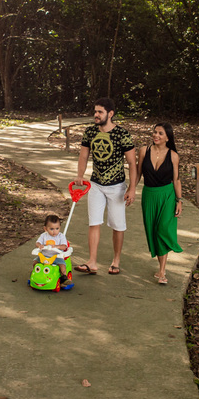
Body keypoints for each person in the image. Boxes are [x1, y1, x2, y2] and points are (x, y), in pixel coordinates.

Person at [74, 97, 136, 275]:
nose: (96, 115)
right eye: (95, 111)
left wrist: (132, 188)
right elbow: (84, 156)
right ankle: (92, 262)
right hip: (95, 184)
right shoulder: (90, 132)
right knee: (94, 222)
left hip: (117, 186)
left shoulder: (122, 134)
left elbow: (132, 163)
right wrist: (80, 175)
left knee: (118, 225)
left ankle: (116, 261)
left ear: (110, 114)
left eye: (100, 112)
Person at [135, 122, 183, 285]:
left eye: (160, 133)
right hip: (149, 194)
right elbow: (138, 172)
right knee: (153, 230)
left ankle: (162, 271)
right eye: (155, 132)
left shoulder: (173, 156)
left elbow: (176, 180)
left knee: (163, 229)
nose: (156, 135)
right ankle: (160, 268)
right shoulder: (144, 151)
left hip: (167, 196)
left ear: (167, 138)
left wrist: (179, 201)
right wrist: (131, 190)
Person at [34, 213, 72, 286]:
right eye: (51, 229)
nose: (54, 231)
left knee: (62, 265)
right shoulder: (43, 236)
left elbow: (64, 246)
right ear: (45, 229)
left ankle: (64, 278)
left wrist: (57, 246)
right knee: (35, 262)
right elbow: (37, 243)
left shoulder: (61, 236)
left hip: (56, 256)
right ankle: (35, 274)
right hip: (44, 256)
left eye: (57, 228)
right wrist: (40, 245)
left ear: (60, 227)